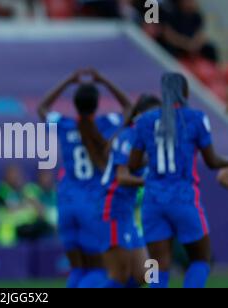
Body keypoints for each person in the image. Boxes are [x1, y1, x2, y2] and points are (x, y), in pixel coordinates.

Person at [128, 72, 228, 288]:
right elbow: (211, 161)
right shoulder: (195, 117)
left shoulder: (146, 121)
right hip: (183, 196)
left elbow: (133, 165)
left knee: (156, 264)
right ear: (185, 92)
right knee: (201, 259)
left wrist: (155, 156)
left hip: (153, 199)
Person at [38, 68, 131, 288]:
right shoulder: (105, 124)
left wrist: (68, 80)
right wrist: (104, 80)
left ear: (75, 104)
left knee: (79, 268)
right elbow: (129, 108)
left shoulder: (65, 124)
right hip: (93, 203)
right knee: (99, 269)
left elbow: (42, 108)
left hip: (67, 202)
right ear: (97, 103)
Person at [80, 94, 161, 288]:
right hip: (112, 208)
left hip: (126, 212)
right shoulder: (130, 136)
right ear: (141, 116)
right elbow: (121, 177)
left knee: (144, 275)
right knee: (120, 276)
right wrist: (149, 182)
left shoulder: (142, 138)